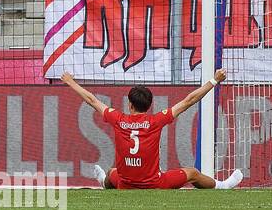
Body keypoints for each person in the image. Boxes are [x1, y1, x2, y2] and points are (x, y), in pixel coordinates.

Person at [59, 69, 245, 190]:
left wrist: (70, 81)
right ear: (149, 105)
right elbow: (189, 100)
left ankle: (103, 183)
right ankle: (222, 186)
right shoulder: (156, 120)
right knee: (192, 173)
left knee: (110, 173)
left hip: (125, 185)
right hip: (155, 184)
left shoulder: (118, 119)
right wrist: (214, 80)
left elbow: (91, 100)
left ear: (130, 105)